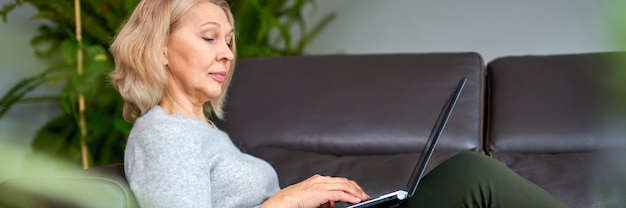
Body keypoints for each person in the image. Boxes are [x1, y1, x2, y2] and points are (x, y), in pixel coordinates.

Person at [109, 0, 567, 207]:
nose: (227, 52)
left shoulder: (206, 133)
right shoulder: (162, 132)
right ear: (160, 48)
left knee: (473, 175)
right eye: (209, 37)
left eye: (229, 40)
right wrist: (287, 200)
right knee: (473, 175)